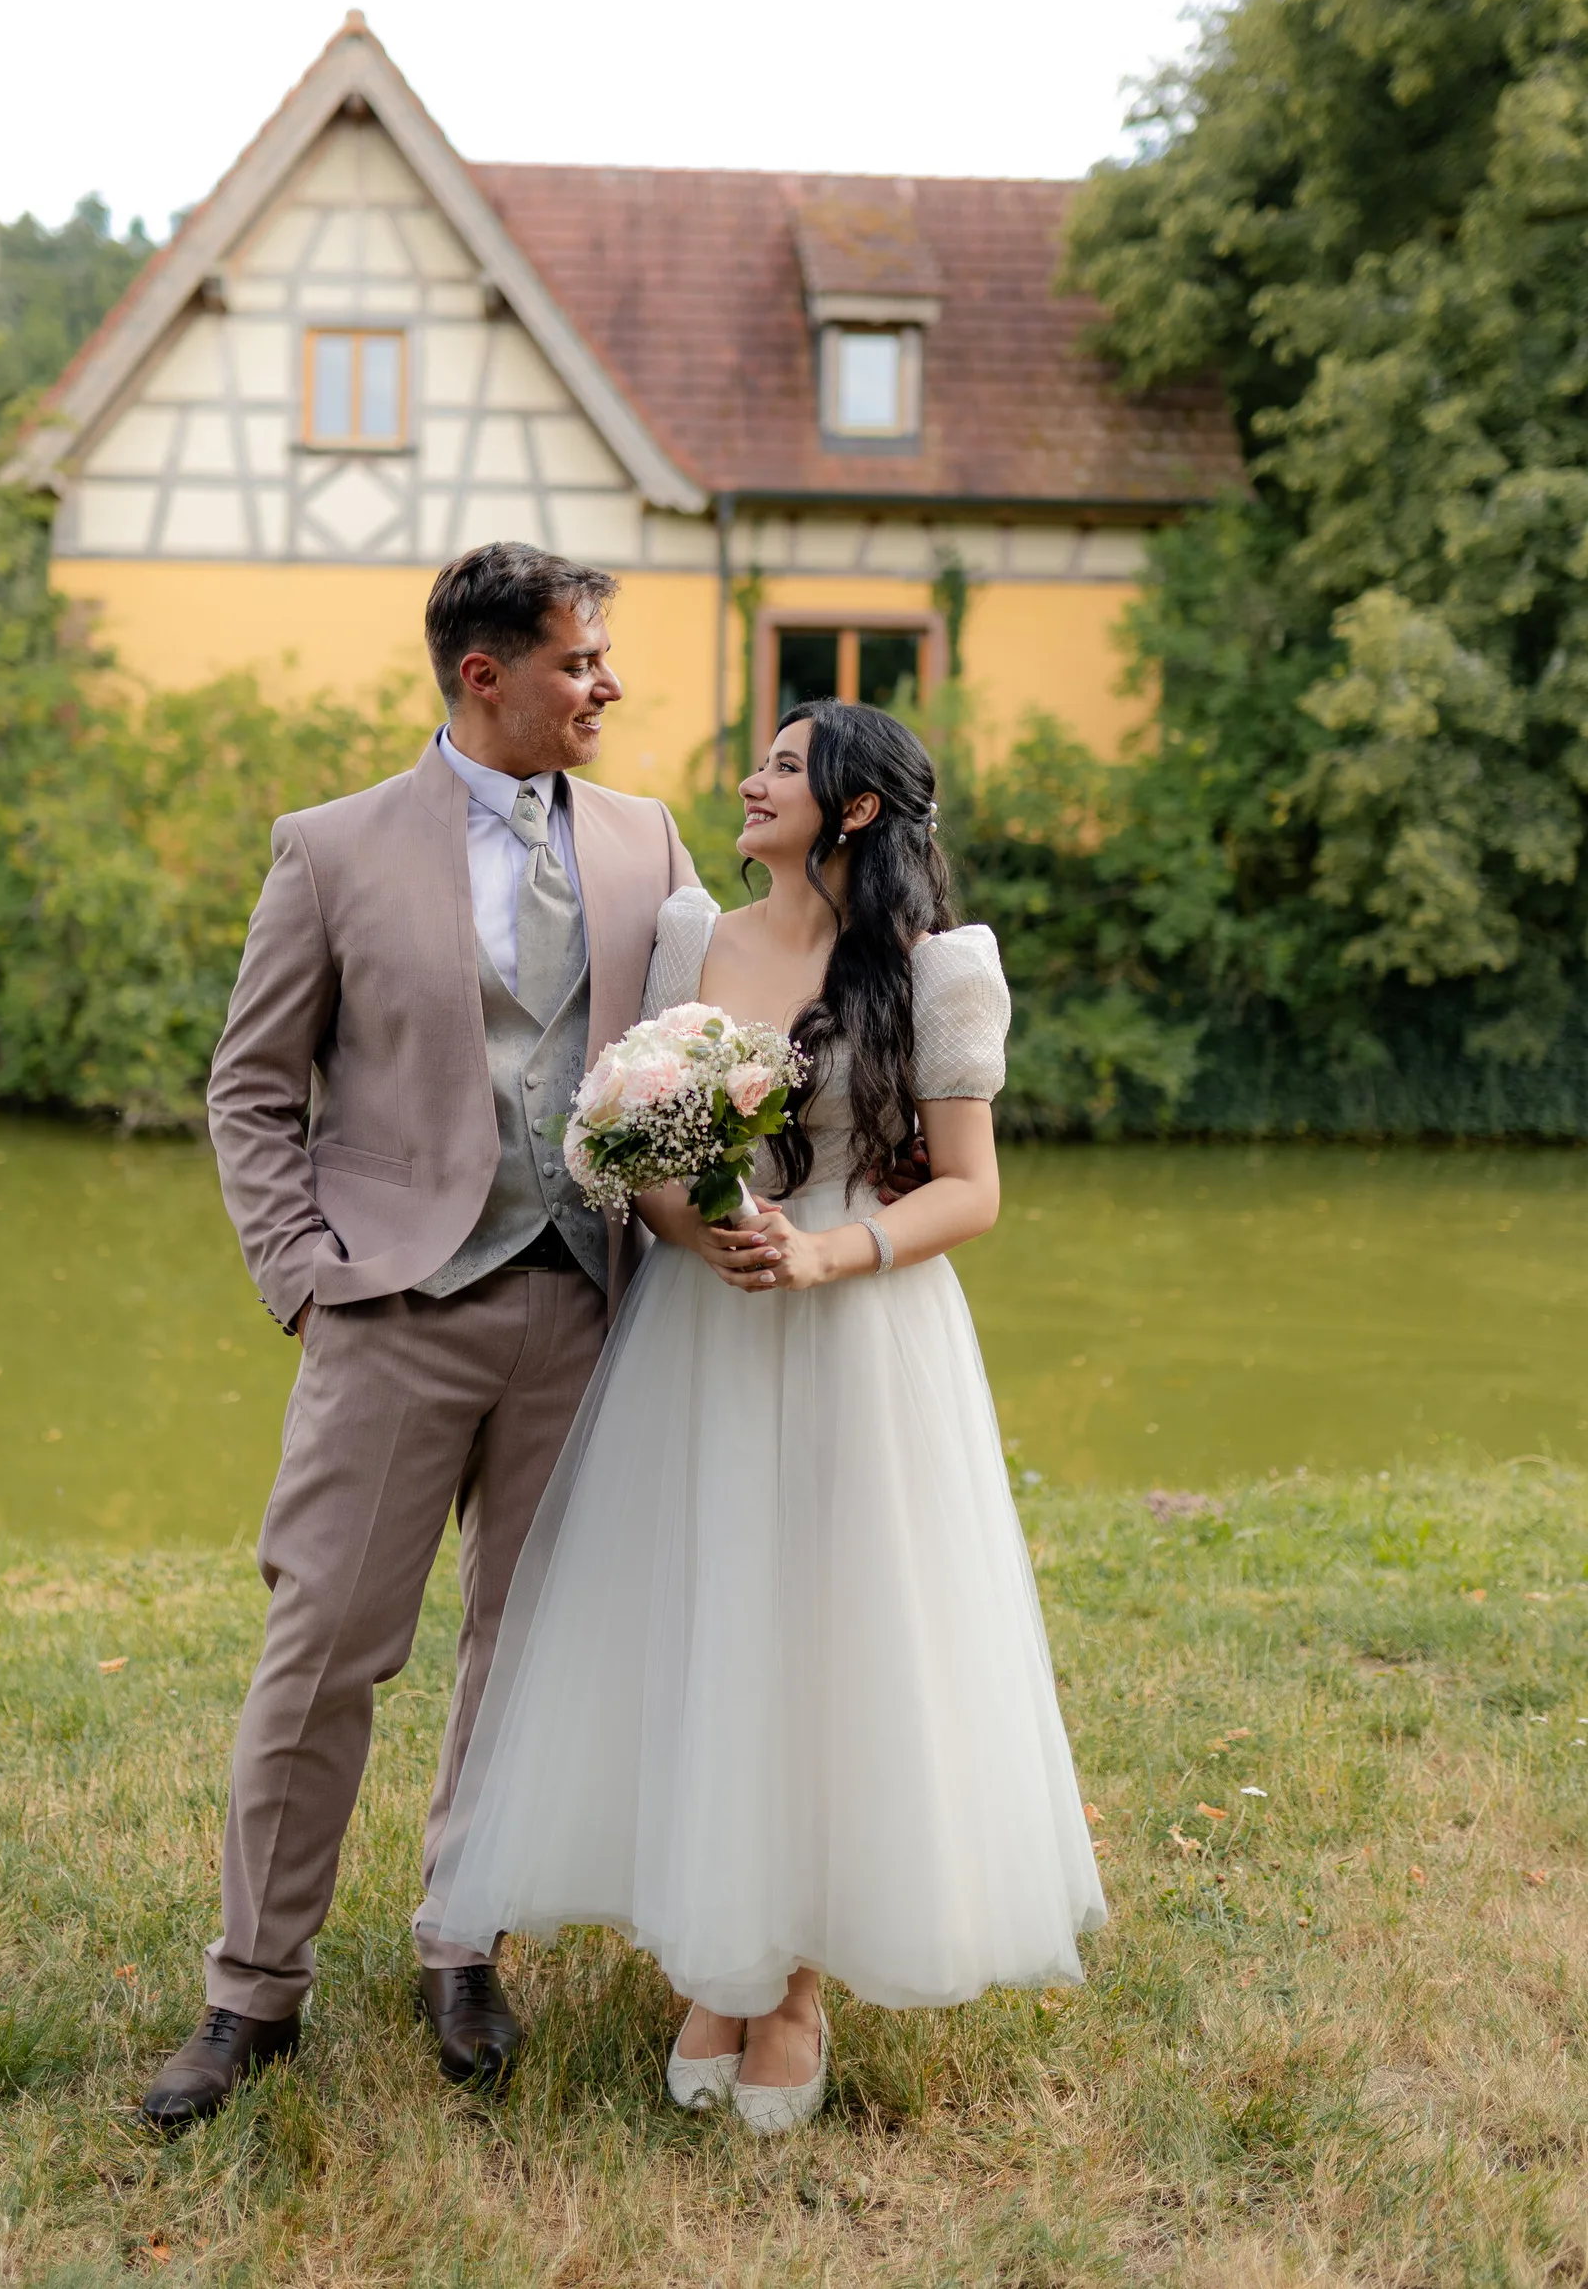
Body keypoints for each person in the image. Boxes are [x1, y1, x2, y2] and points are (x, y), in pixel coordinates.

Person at [418, 699, 1106, 2132]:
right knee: (713, 1620)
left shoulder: (938, 969)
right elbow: (634, 1147)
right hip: (707, 1324)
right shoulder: (690, 936)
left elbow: (972, 1191)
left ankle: (791, 1983)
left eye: (785, 766)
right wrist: (699, 1228)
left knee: (832, 1634)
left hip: (864, 1322)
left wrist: (825, 1251)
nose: (750, 779)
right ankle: (716, 1960)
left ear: (854, 808)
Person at [140, 542, 697, 2128]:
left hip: (581, 1308)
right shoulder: (328, 850)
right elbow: (252, 1088)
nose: (607, 686)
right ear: (485, 674)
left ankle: (465, 1942)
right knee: (323, 1653)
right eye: (582, 660)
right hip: (389, 1312)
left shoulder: (649, 840)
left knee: (518, 1657)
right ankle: (253, 1993)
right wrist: (306, 1276)